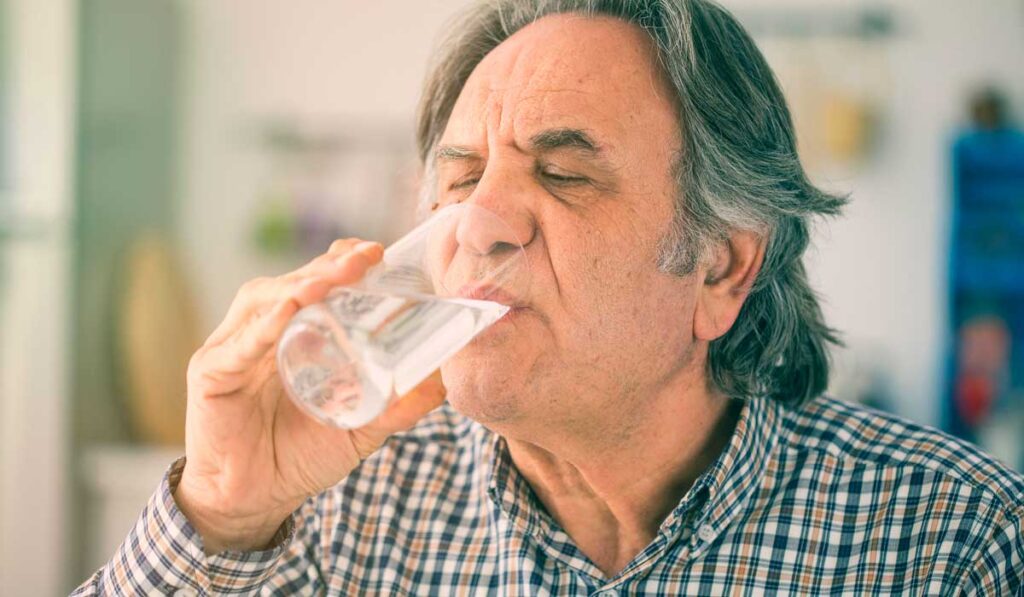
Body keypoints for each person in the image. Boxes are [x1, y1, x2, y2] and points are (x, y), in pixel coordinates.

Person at [74, 1, 1023, 594]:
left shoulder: (953, 538)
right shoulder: (333, 506)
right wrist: (222, 512)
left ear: (722, 270)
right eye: (460, 178)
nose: (479, 222)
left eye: (565, 174)